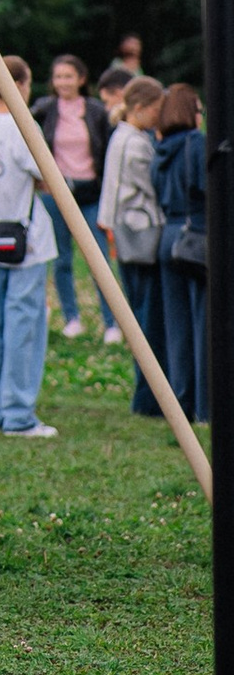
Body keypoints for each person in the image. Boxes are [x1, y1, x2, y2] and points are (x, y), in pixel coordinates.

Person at [0, 59, 58, 439]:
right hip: (28, 240)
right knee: (24, 326)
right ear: (19, 84)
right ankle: (18, 413)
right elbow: (48, 177)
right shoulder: (24, 127)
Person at [98, 74, 167, 413]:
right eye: (156, 109)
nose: (159, 116)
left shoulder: (120, 136)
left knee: (139, 315)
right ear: (139, 108)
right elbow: (155, 189)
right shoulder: (137, 143)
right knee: (148, 318)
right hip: (141, 236)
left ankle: (147, 396)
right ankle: (149, 397)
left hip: (124, 236)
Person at [34, 54, 112, 340]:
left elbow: (106, 148)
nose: (63, 82)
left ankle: (112, 322)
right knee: (62, 259)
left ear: (81, 79)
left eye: (68, 76)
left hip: (90, 192)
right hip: (57, 193)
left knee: (99, 259)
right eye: (58, 77)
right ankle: (72, 318)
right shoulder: (45, 110)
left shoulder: (96, 111)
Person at [152, 84, 209, 423]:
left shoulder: (160, 149)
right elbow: (206, 188)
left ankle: (179, 405)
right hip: (197, 236)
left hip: (167, 234)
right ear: (191, 113)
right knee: (204, 325)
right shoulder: (197, 144)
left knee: (176, 329)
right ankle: (206, 407)